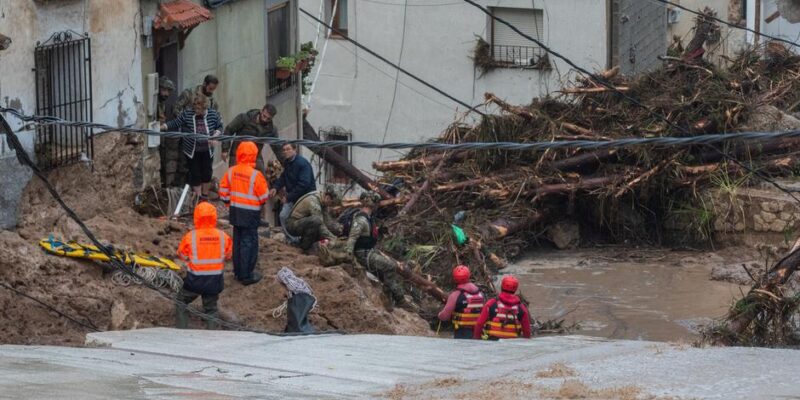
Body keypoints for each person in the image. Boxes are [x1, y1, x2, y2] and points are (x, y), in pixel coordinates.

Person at [344, 191, 413, 311]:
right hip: (363, 254)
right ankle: (398, 299)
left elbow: (368, 237)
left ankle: (391, 298)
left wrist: (380, 232)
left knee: (390, 266)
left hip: (369, 251)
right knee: (390, 266)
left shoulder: (368, 218)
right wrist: (348, 257)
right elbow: (352, 239)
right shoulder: (361, 220)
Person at [175, 201, 233, 329]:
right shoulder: (223, 236)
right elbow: (229, 256)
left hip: (195, 280)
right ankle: (211, 337)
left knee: (180, 301)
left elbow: (182, 255)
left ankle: (181, 332)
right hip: (214, 281)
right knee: (211, 309)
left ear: (196, 217)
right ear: (214, 217)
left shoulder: (191, 237)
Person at [219, 141, 269, 285]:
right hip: (251, 213)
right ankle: (246, 275)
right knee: (249, 242)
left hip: (235, 211)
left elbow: (223, 192)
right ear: (254, 155)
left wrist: (229, 202)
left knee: (238, 241)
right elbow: (264, 196)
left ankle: (238, 272)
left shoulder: (231, 171)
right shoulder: (256, 175)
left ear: (239, 153)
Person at [162, 93, 223, 200]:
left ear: (205, 107)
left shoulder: (213, 114)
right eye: (195, 108)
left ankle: (204, 196)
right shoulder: (188, 114)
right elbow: (176, 122)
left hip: (207, 150)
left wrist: (215, 136)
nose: (196, 111)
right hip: (192, 150)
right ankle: (198, 198)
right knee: (195, 174)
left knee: (207, 173)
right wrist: (163, 126)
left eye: (199, 109)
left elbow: (220, 127)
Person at [270, 143, 316, 241]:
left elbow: (304, 184)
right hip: (293, 196)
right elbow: (283, 177)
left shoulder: (302, 164)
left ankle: (304, 240)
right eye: (284, 150)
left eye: (288, 149)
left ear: (295, 150)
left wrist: (288, 197)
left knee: (302, 220)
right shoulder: (287, 163)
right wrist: (275, 187)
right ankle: (293, 239)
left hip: (305, 198)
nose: (286, 152)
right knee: (283, 216)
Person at [221, 104, 281, 171]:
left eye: (268, 119)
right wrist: (225, 149)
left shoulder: (271, 129)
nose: (265, 120)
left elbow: (277, 148)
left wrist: (286, 163)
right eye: (264, 116)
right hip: (238, 154)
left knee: (261, 178)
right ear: (261, 111)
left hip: (255, 157)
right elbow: (229, 130)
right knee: (236, 176)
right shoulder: (244, 118)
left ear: (272, 118)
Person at [473, 275, 532, 340]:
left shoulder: (491, 303)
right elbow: (527, 332)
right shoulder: (521, 308)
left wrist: (476, 340)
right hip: (512, 345)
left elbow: (479, 324)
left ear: (502, 286)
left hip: (491, 343)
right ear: (515, 289)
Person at [285, 185, 340, 251]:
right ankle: (303, 248)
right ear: (328, 197)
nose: (332, 206)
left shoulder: (323, 201)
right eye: (332, 203)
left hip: (302, 222)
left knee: (326, 227)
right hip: (292, 224)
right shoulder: (314, 201)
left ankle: (305, 245)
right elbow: (320, 224)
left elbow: (328, 221)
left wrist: (338, 229)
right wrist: (332, 238)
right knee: (316, 222)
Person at [438, 265, 485, 339]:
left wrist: (439, 315)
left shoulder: (455, 295)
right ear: (468, 276)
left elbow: (444, 316)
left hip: (462, 332)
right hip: (479, 332)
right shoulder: (480, 293)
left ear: (455, 279)